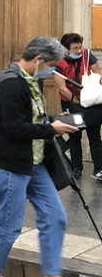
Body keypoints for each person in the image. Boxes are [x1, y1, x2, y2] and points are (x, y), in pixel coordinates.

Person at [0, 36, 88, 277]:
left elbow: (33, 117)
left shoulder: (32, 80)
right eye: (50, 65)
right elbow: (15, 128)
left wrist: (55, 120)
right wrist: (52, 128)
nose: (51, 71)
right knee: (9, 225)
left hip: (34, 162)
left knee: (55, 216)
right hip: (10, 164)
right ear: (39, 60)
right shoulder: (11, 85)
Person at [54, 33, 101, 180]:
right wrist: (76, 101)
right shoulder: (59, 62)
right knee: (74, 136)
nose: (79, 50)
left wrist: (91, 95)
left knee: (94, 135)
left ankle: (99, 169)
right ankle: (76, 168)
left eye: (80, 47)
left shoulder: (87, 54)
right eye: (75, 48)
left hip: (91, 102)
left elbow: (98, 73)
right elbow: (62, 88)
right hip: (71, 103)